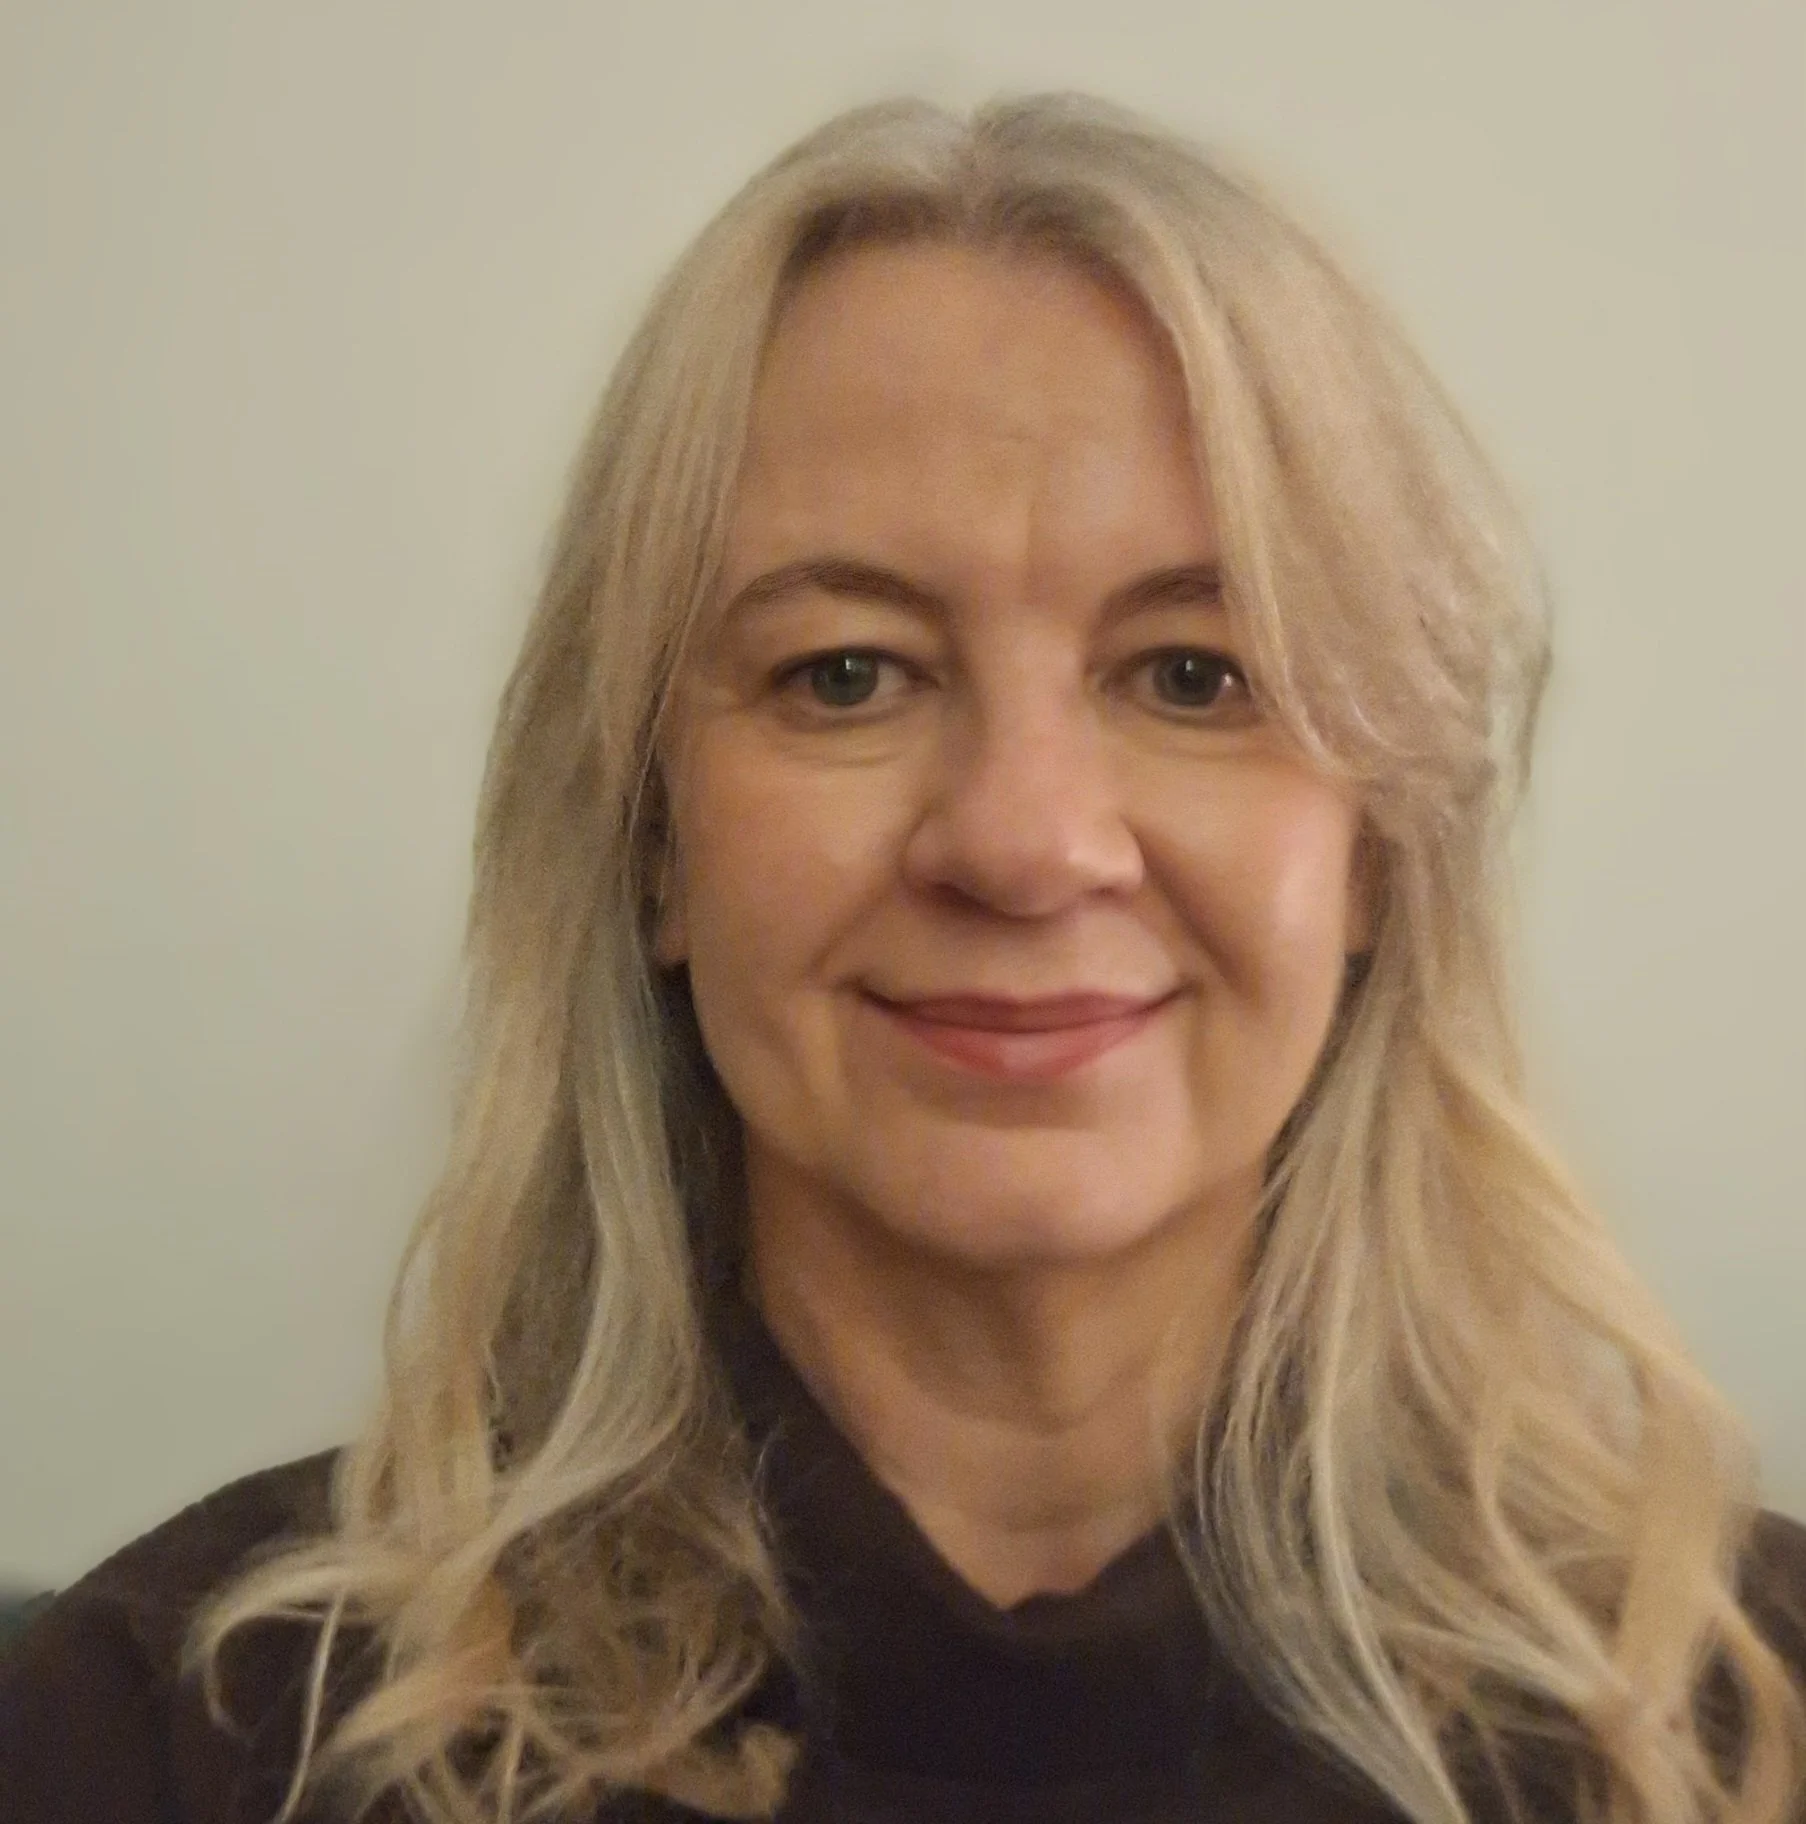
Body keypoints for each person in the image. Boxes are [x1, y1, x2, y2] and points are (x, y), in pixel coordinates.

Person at [1, 92, 1801, 1824]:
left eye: (1192, 674)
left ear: (1375, 857)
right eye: (844, 673)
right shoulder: (176, 1741)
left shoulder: (1748, 1724)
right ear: (651, 844)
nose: (1023, 842)